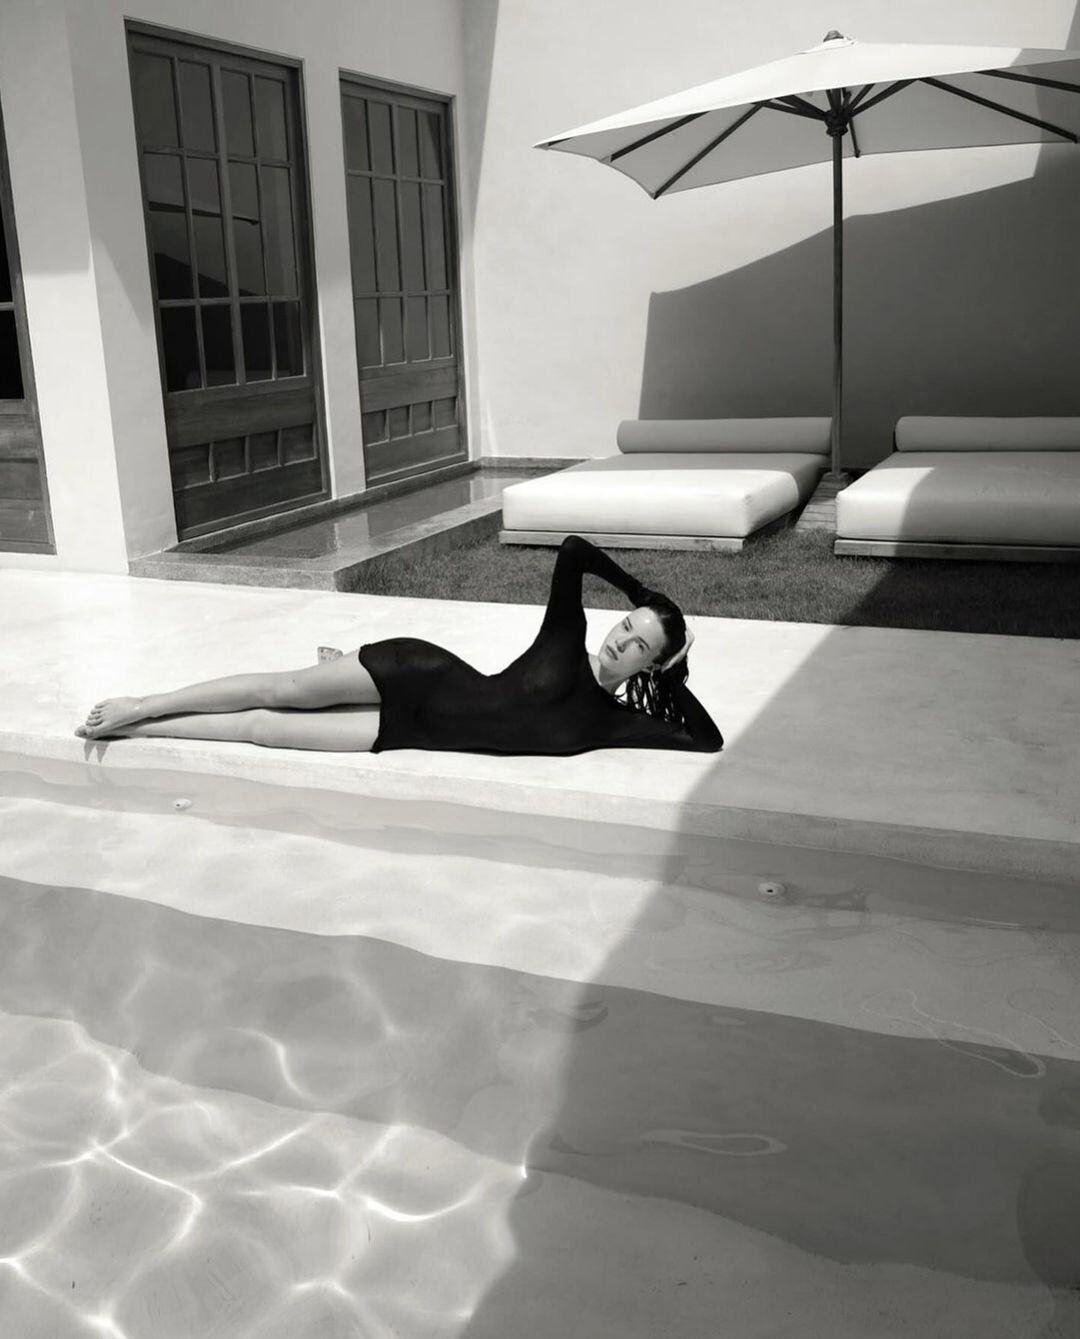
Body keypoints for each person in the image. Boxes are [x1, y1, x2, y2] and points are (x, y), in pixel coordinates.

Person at [76, 535, 723, 756]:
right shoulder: (566, 639)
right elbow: (575, 550)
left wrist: (676, 670)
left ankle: (138, 732)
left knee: (263, 729)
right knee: (283, 690)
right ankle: (142, 704)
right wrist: (639, 589)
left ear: (651, 663)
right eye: (626, 625)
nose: (620, 640)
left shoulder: (614, 721)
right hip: (417, 672)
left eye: (639, 645)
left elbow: (705, 739)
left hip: (408, 732)